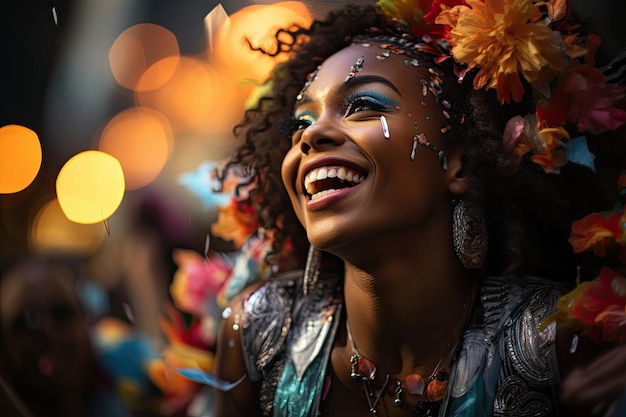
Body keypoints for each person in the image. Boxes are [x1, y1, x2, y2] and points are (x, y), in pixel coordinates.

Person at [210, 1, 626, 416]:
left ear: (462, 163)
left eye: (363, 105)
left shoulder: (560, 340)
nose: (312, 134)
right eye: (300, 123)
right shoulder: (260, 332)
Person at [0, 256, 132, 417]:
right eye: (27, 321)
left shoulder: (141, 399)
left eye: (60, 313)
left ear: (87, 323)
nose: (46, 331)